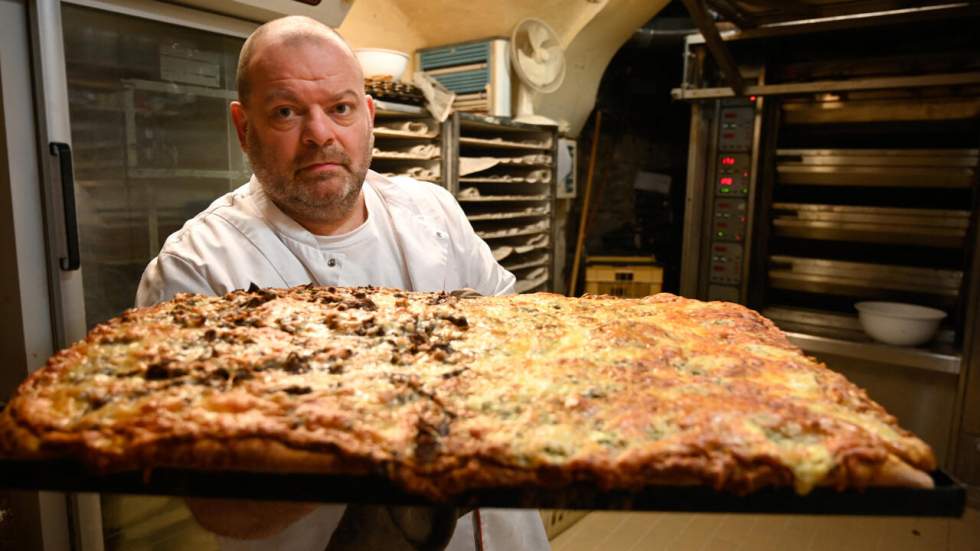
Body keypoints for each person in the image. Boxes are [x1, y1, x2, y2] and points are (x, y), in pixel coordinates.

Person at [135, 14, 548, 551]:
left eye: (341, 108)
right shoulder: (197, 270)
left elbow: (520, 352)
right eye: (286, 112)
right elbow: (221, 506)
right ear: (243, 126)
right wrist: (386, 438)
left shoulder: (432, 210)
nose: (320, 134)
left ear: (368, 116)